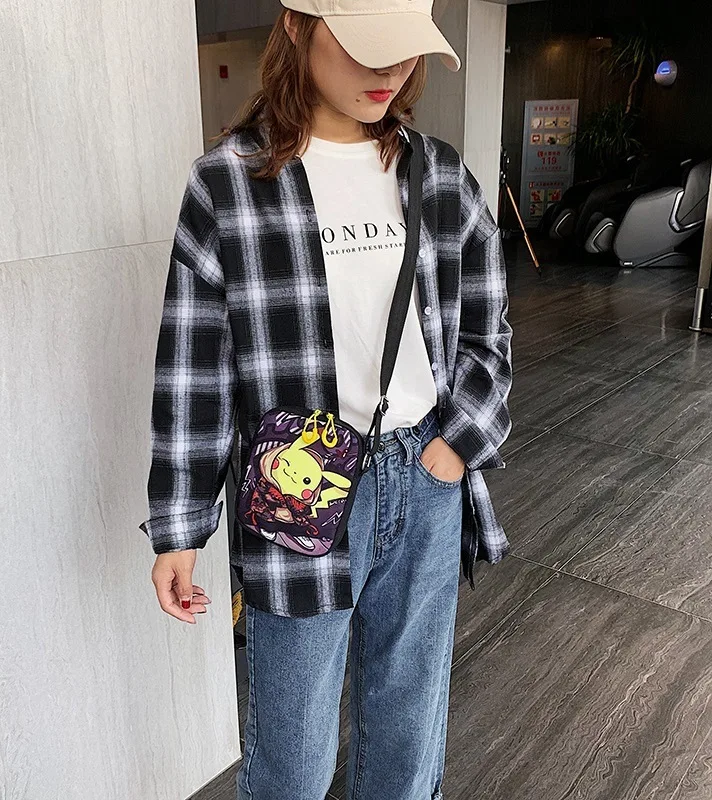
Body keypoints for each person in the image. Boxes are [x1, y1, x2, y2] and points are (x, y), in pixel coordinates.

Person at [139, 1, 513, 798]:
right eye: (365, 45)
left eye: (404, 49)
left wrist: (456, 445)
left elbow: (488, 329)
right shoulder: (230, 184)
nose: (389, 72)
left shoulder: (441, 175)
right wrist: (180, 526)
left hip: (425, 473)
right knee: (293, 744)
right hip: (300, 482)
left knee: (409, 725)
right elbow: (195, 365)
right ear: (297, 25)